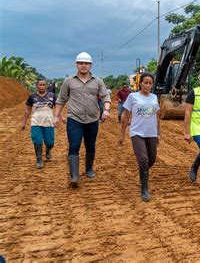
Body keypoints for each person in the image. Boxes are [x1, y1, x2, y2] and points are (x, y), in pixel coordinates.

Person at [54, 52, 111, 188]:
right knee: (74, 146)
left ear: (90, 65)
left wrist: (107, 110)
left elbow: (105, 97)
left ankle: (89, 169)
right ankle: (74, 176)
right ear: (76, 65)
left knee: (90, 146)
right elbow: (61, 99)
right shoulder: (69, 81)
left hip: (92, 120)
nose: (83, 66)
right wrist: (56, 116)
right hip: (74, 119)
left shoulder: (98, 81)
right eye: (81, 63)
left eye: (86, 63)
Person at [118, 73, 160, 202]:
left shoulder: (154, 97)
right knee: (143, 160)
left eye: (150, 83)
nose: (147, 85)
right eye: (145, 82)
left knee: (151, 159)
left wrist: (158, 133)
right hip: (137, 133)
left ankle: (143, 172)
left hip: (151, 133)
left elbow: (157, 116)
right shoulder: (132, 97)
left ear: (152, 84)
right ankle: (144, 189)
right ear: (140, 83)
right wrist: (122, 134)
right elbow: (125, 115)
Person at [21, 78, 57, 169]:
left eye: (43, 85)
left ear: (46, 86)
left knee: (50, 143)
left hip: (48, 121)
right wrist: (24, 122)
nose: (42, 86)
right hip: (36, 121)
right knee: (37, 140)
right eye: (40, 85)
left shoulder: (52, 95)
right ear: (36, 86)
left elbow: (57, 108)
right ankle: (39, 160)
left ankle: (48, 150)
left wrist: (60, 117)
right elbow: (27, 110)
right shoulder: (32, 96)